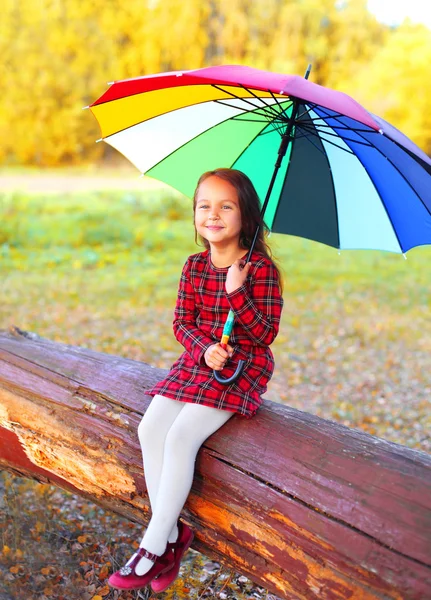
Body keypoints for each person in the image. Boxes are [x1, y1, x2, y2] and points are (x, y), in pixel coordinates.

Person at [108, 168, 284, 593]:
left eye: (227, 206)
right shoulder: (193, 266)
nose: (213, 214)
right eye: (204, 205)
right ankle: (172, 535)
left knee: (181, 436)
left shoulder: (259, 269)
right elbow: (182, 323)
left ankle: (152, 547)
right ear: (194, 215)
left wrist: (237, 292)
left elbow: (264, 334)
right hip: (199, 362)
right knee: (150, 427)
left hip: (240, 368)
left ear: (247, 217)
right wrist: (205, 348)